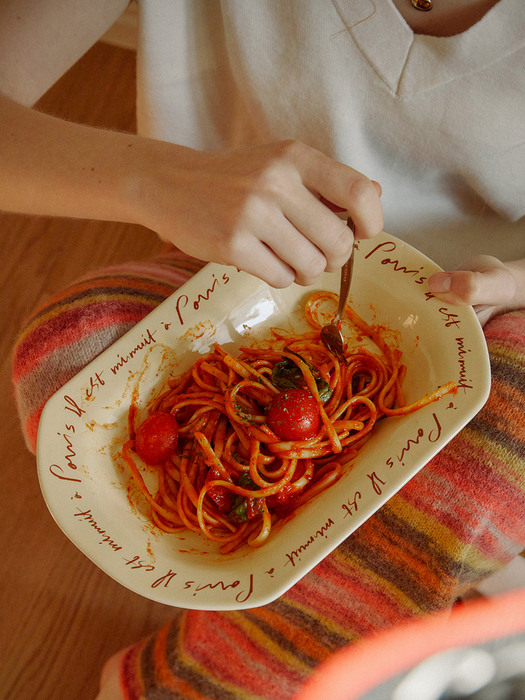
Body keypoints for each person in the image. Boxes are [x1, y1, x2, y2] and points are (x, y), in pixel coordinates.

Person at [2, 1, 524, 698]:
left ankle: (234, 668)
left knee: (498, 458)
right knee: (69, 351)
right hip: (237, 267)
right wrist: (152, 180)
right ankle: (380, 597)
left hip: (499, 310)